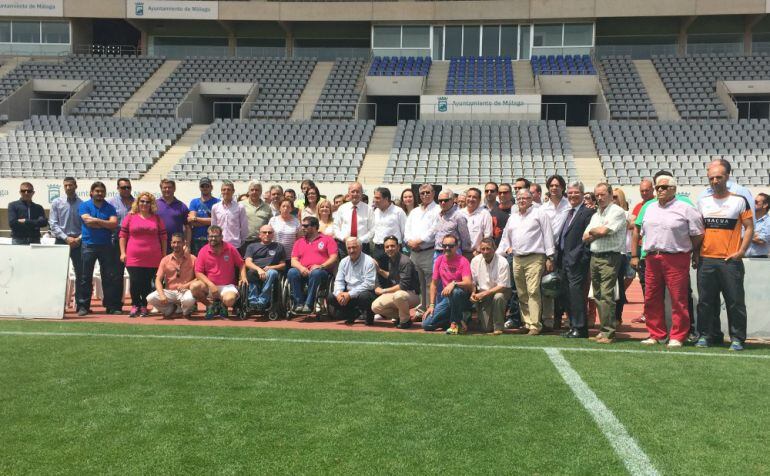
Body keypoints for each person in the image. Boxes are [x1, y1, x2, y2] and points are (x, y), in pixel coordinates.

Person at [633, 175, 704, 348]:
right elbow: (641, 232)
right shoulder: (649, 208)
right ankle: (656, 334)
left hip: (676, 257)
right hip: (652, 257)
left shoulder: (686, 208)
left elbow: (698, 233)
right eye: (658, 188)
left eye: (664, 187)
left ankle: (678, 335)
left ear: (674, 189)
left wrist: (689, 249)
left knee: (678, 299)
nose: (660, 191)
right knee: (651, 297)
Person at [695, 162, 754, 351]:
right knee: (706, 302)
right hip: (706, 259)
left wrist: (741, 252)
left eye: (718, 177)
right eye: (711, 178)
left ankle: (737, 338)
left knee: (735, 301)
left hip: (730, 261)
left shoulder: (739, 200)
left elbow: (750, 227)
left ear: (727, 176)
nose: (714, 181)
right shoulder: (703, 201)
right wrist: (696, 254)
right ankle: (706, 335)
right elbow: (698, 231)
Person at [497, 188, 555, 335]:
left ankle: (535, 324)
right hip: (517, 258)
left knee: (533, 291)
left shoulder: (540, 213)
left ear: (531, 200)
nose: (522, 200)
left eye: (525, 198)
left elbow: (548, 235)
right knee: (522, 293)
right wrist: (500, 254)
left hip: (535, 257)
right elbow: (505, 238)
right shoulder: (513, 217)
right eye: (519, 198)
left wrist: (550, 256)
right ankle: (527, 322)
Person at [583, 183, 627, 344]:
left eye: (602, 194)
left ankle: (609, 332)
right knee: (598, 295)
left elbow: (601, 231)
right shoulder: (596, 215)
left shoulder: (617, 211)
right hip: (595, 255)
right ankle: (603, 330)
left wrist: (596, 231)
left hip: (610, 257)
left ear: (610, 194)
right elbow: (584, 237)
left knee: (606, 294)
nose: (599, 198)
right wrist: (598, 231)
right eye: (597, 195)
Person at [119, 191, 167, 318]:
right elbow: (122, 236)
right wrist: (123, 252)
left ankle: (144, 306)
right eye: (142, 201)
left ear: (151, 204)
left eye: (147, 201)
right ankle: (135, 305)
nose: (144, 204)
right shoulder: (130, 217)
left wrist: (163, 254)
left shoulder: (157, 218)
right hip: (133, 255)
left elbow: (163, 237)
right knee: (135, 281)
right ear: (138, 202)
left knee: (146, 283)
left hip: (153, 256)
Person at [557, 181, 594, 339]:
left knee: (577, 295)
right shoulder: (568, 212)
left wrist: (582, 258)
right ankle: (573, 325)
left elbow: (588, 239)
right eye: (570, 193)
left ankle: (580, 328)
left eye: (576, 193)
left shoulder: (587, 212)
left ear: (582, 194)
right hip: (564, 261)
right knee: (567, 294)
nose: (572, 195)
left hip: (577, 261)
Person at [77, 181, 121, 316]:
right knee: (85, 277)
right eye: (97, 191)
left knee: (108, 277)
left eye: (102, 191)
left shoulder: (110, 207)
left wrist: (97, 221)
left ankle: (111, 306)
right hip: (88, 245)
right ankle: (84, 306)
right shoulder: (84, 205)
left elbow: (113, 224)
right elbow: (87, 222)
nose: (99, 193)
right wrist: (105, 224)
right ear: (91, 192)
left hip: (106, 245)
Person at [422, 234, 473, 335]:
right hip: (448, 299)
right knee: (426, 324)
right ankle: (460, 318)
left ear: (457, 246)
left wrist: (454, 283)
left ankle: (455, 324)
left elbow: (468, 283)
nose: (447, 248)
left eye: (450, 246)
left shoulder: (463, 261)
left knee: (456, 291)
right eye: (444, 245)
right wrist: (432, 305)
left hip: (462, 297)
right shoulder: (439, 260)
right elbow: (434, 284)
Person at [194, 225, 247, 319]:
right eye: (210, 236)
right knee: (194, 287)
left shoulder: (230, 248)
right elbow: (198, 272)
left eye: (216, 236)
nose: (213, 238)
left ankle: (223, 305)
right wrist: (210, 284)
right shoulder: (203, 250)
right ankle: (210, 305)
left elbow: (241, 264)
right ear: (208, 237)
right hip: (209, 286)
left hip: (227, 286)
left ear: (221, 237)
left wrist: (243, 277)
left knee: (229, 300)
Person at [288, 216, 338, 313]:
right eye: (302, 226)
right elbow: (293, 261)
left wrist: (321, 266)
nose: (303, 228)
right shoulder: (299, 242)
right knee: (292, 272)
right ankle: (299, 303)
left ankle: (309, 304)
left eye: (306, 226)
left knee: (316, 273)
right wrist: (301, 268)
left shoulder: (327, 239)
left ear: (315, 227)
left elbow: (333, 258)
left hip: (321, 273)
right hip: (302, 272)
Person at [147, 232, 202, 319]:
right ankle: (170, 309)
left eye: (179, 242)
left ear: (184, 243)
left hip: (185, 291)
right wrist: (161, 294)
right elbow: (158, 279)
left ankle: (185, 311)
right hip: (170, 292)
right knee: (150, 298)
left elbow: (199, 278)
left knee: (189, 299)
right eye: (174, 242)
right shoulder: (165, 260)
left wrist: (186, 285)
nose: (176, 245)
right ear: (171, 243)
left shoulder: (193, 259)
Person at [404, 183, 439, 318]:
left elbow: (434, 229)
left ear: (433, 193)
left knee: (430, 282)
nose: (425, 195)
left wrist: (420, 241)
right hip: (414, 252)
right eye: (422, 193)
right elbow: (407, 229)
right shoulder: (414, 211)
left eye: (427, 192)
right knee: (418, 283)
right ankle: (421, 309)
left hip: (428, 250)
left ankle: (430, 310)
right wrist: (410, 242)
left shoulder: (437, 210)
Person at [372, 235, 420, 329]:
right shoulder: (391, 259)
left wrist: (383, 291)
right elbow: (392, 276)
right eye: (387, 247)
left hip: (412, 294)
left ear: (398, 247)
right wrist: (379, 270)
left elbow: (403, 285)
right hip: (399, 293)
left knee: (399, 295)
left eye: (392, 246)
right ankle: (400, 316)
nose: (390, 248)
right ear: (384, 249)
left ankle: (405, 321)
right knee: (375, 307)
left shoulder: (405, 261)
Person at [540, 174, 570, 329]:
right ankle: (551, 319)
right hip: (549, 251)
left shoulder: (569, 205)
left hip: (566, 250)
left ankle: (565, 317)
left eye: (557, 185)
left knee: (565, 285)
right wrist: (548, 255)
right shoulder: (543, 208)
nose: (554, 188)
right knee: (550, 286)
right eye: (551, 185)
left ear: (563, 187)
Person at [49, 177, 83, 306]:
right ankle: (57, 304)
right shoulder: (56, 202)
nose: (68, 187)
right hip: (61, 241)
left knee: (81, 274)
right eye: (66, 185)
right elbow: (53, 223)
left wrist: (77, 238)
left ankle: (80, 305)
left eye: (70, 185)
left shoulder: (82, 204)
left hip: (78, 242)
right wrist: (65, 238)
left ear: (76, 186)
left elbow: (85, 226)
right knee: (59, 273)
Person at [330, 237, 377, 325]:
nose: (351, 250)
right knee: (331, 297)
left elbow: (369, 284)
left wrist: (349, 294)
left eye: (354, 247)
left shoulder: (369, 261)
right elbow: (339, 281)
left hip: (364, 293)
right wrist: (338, 293)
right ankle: (352, 314)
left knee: (365, 296)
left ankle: (368, 314)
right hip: (348, 294)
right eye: (349, 248)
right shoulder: (343, 262)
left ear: (360, 247)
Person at [471, 237, 512, 335]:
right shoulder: (475, 261)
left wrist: (484, 294)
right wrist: (473, 293)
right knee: (486, 328)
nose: (485, 252)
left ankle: (498, 327)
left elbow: (503, 286)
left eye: (488, 248)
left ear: (494, 248)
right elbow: (473, 282)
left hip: (500, 293)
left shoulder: (503, 262)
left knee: (499, 297)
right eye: (483, 249)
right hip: (483, 296)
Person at [629, 178, 655, 323]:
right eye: (642, 191)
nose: (644, 193)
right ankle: (647, 312)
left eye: (647, 190)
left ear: (653, 190)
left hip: (652, 248)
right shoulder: (639, 206)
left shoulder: (656, 204)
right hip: (640, 248)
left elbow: (633, 223)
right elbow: (630, 225)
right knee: (644, 283)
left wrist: (636, 222)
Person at [244, 224, 286, 311]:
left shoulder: (279, 246)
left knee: (272, 272)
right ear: (260, 234)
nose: (267, 234)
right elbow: (248, 262)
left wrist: (272, 267)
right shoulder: (252, 246)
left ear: (273, 235)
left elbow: (283, 265)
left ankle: (262, 300)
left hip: (271, 272)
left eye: (269, 232)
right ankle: (253, 300)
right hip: (255, 271)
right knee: (251, 273)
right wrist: (259, 269)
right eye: (264, 232)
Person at [107, 177, 135, 300]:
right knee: (116, 274)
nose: (126, 189)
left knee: (135, 275)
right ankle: (115, 304)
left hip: (134, 243)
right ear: (118, 188)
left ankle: (137, 304)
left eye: (128, 187)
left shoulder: (137, 203)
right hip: (116, 242)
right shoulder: (111, 203)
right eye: (123, 187)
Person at [333, 182, 373, 258]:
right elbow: (336, 227)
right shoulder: (342, 208)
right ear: (348, 193)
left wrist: (359, 240)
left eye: (358, 191)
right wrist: (344, 238)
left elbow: (372, 229)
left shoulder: (368, 209)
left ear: (362, 193)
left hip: (362, 246)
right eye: (353, 191)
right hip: (344, 246)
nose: (355, 194)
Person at [371, 187, 407, 267]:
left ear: (386, 199)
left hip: (393, 250)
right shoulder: (375, 212)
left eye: (377, 198)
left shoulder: (398, 212)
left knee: (395, 276)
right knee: (380, 276)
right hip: (378, 249)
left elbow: (404, 231)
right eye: (374, 197)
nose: (375, 200)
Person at [434, 188, 472, 260]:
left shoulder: (458, 216)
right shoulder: (438, 215)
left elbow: (465, 239)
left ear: (452, 200)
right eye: (440, 201)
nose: (443, 203)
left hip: (453, 254)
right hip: (438, 253)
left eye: (445, 200)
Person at [210, 180, 248, 251]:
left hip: (235, 245)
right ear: (221, 191)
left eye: (229, 189)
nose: (226, 192)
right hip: (220, 244)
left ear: (233, 191)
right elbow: (213, 226)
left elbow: (244, 227)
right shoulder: (215, 207)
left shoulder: (240, 207)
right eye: (224, 189)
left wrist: (241, 241)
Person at [188, 177, 220, 256]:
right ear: (200, 188)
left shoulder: (217, 202)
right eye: (202, 186)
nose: (205, 188)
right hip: (196, 239)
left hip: (212, 239)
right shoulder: (194, 202)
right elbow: (192, 221)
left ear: (211, 187)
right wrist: (210, 221)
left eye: (207, 186)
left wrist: (196, 219)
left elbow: (217, 221)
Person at [239, 181, 272, 255]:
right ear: (248, 191)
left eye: (257, 190)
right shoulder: (241, 205)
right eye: (252, 190)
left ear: (261, 192)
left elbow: (270, 225)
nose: (254, 192)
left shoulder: (267, 207)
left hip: (261, 242)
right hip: (244, 242)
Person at [157, 179, 190, 250]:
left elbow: (188, 228)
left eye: (169, 187)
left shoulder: (182, 206)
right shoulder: (154, 205)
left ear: (174, 189)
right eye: (164, 187)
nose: (167, 189)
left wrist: (187, 244)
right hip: (158, 244)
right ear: (161, 189)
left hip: (176, 245)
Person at [268, 198, 302, 263]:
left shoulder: (296, 222)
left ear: (291, 209)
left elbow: (299, 239)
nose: (285, 208)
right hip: (275, 254)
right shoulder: (273, 220)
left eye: (288, 207)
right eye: (283, 206)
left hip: (290, 256)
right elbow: (268, 236)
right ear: (279, 208)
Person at [460, 187, 492, 255]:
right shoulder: (459, 213)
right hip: (460, 253)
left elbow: (488, 235)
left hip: (477, 253)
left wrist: (479, 250)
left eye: (474, 197)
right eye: (469, 196)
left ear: (479, 200)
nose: (471, 199)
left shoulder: (485, 214)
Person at [747, 193, 769, 258]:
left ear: (765, 205)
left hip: (759, 258)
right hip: (743, 257)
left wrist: (746, 234)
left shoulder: (768, 222)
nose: (753, 204)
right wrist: (754, 235)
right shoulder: (747, 219)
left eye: (756, 202)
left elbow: (761, 240)